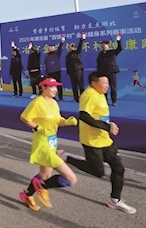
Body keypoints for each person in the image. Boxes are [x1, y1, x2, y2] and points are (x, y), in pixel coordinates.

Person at [64, 72, 136, 214]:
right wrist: (107, 126)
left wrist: (109, 124)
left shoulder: (101, 94)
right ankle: (67, 158)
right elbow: (84, 116)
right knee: (97, 172)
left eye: (108, 84)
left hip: (105, 140)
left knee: (119, 168)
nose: (107, 86)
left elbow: (100, 115)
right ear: (94, 83)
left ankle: (115, 200)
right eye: (104, 84)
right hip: (92, 141)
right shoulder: (89, 94)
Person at [19, 77, 78, 211]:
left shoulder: (54, 103)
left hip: (52, 143)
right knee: (71, 179)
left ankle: (26, 195)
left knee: (44, 176)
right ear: (43, 87)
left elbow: (58, 120)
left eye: (56, 87)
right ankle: (41, 186)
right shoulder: (37, 102)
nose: (55, 90)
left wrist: (67, 122)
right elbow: (24, 117)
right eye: (52, 87)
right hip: (42, 144)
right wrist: (38, 128)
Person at [96, 34, 123, 106]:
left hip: (111, 72)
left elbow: (120, 48)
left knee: (113, 87)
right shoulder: (101, 54)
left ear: (108, 45)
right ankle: (104, 101)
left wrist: (118, 39)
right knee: (103, 88)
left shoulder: (112, 52)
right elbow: (98, 63)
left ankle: (114, 101)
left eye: (104, 45)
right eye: (102, 45)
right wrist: (98, 74)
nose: (103, 46)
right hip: (103, 73)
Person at [44, 36, 66, 101]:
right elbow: (46, 66)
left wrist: (62, 42)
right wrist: (47, 74)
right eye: (49, 47)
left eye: (52, 47)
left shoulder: (57, 54)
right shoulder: (46, 57)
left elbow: (60, 49)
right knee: (51, 86)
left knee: (58, 85)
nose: (50, 48)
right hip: (50, 73)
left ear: (54, 48)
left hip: (56, 72)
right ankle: (53, 97)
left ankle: (60, 97)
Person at [65, 34, 85, 103]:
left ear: (74, 47)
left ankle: (83, 98)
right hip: (71, 72)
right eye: (68, 47)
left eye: (70, 46)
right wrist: (68, 72)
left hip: (78, 70)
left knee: (80, 85)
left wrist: (81, 39)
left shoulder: (77, 52)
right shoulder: (68, 55)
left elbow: (80, 46)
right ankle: (76, 98)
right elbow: (67, 64)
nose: (69, 48)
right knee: (74, 86)